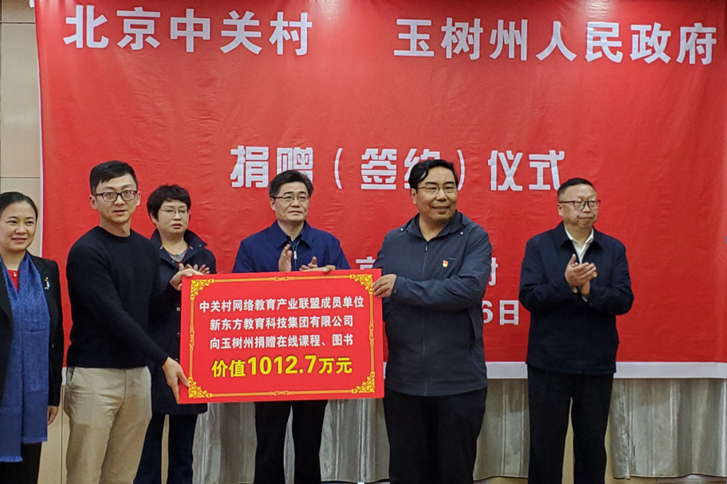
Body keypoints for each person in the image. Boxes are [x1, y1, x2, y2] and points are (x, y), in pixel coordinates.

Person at [64, 161, 199, 484]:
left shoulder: (146, 249)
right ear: (93, 200)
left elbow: (148, 313)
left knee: (124, 474)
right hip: (95, 376)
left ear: (138, 198)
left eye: (126, 193)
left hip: (138, 376)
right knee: (85, 472)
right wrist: (164, 359)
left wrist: (172, 289)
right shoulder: (86, 251)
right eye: (109, 194)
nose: (119, 201)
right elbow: (113, 317)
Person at [372, 159, 492, 484]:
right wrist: (323, 283)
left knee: (454, 474)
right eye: (432, 188)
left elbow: (468, 289)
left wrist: (403, 287)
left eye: (449, 187)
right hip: (404, 382)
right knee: (406, 474)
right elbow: (374, 291)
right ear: (413, 195)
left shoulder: (474, 237)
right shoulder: (394, 240)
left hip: (458, 382)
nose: (442, 196)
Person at [233, 169, 349, 484]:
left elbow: (350, 297)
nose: (296, 203)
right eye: (288, 197)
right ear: (273, 203)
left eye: (302, 197)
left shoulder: (327, 243)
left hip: (315, 359)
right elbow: (239, 303)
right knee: (268, 443)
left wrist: (326, 282)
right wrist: (280, 280)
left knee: (310, 443)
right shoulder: (252, 246)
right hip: (268, 360)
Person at [519, 177, 634, 484]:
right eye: (579, 202)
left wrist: (589, 291)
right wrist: (566, 283)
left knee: (592, 446)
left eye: (592, 202)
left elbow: (624, 300)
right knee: (545, 444)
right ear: (560, 208)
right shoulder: (539, 246)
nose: (587, 208)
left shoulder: (613, 248)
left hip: (596, 361)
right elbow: (529, 297)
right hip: (549, 361)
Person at [135, 185, 216, 484]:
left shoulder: (205, 255)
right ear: (153, 216)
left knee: (184, 452)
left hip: (191, 360)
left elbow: (213, 311)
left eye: (183, 210)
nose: (177, 216)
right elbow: (141, 311)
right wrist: (173, 288)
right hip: (152, 359)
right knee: (147, 450)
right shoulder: (142, 254)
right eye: (169, 210)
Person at [0, 193, 63, 484]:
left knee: (25, 475)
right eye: (12, 221)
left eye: (29, 222)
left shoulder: (46, 270)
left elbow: (55, 334)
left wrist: (53, 394)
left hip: (33, 397)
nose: (21, 229)